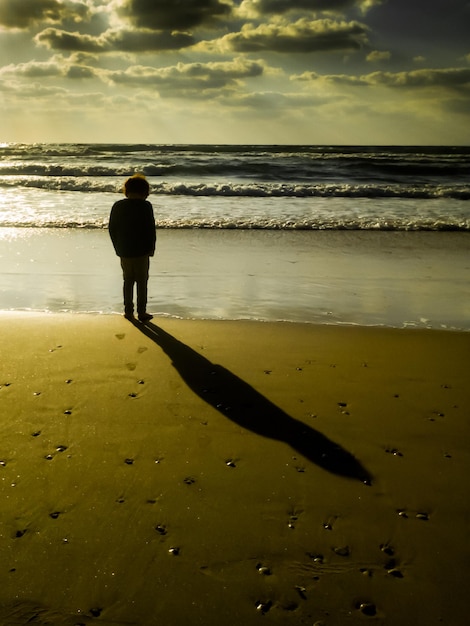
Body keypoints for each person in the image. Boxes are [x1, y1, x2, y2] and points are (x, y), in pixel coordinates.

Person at [109, 174, 156, 321]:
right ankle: (142, 312)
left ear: (127, 190)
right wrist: (151, 247)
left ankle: (128, 311)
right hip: (141, 250)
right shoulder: (145, 206)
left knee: (128, 280)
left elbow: (112, 228)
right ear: (145, 192)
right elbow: (150, 229)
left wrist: (117, 246)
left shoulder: (118, 205)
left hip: (124, 249)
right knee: (142, 281)